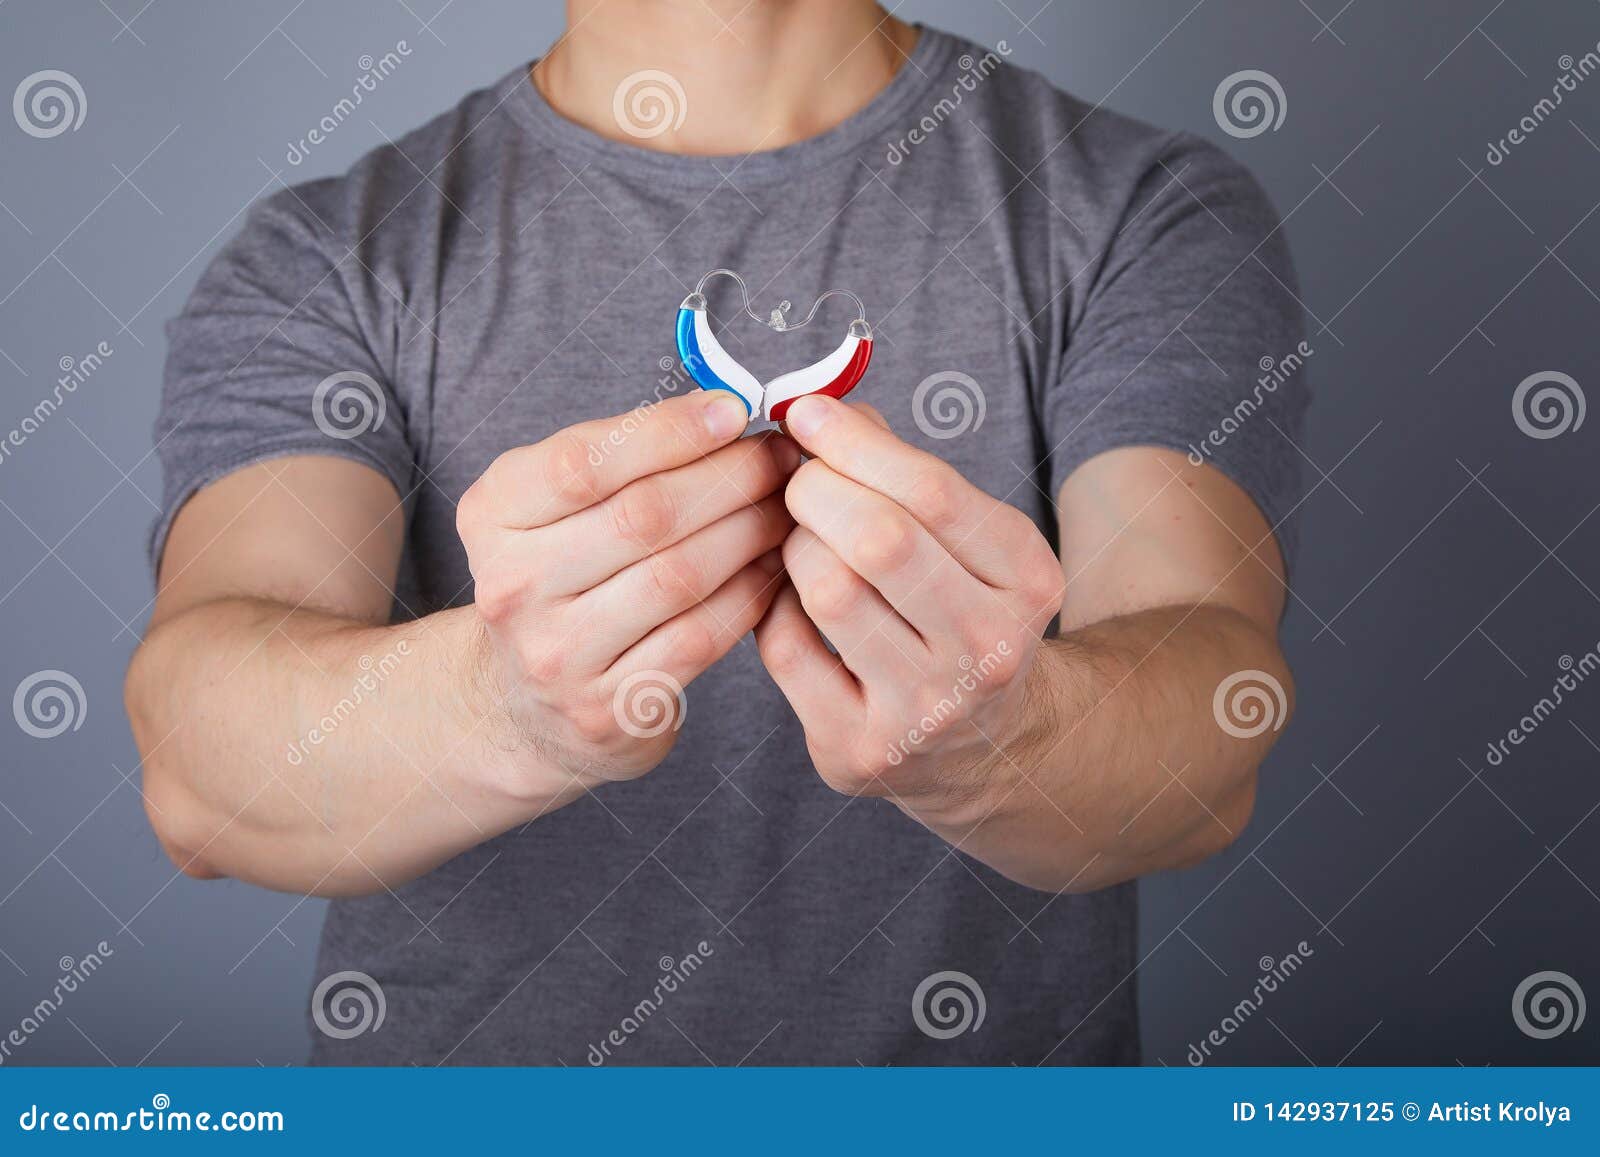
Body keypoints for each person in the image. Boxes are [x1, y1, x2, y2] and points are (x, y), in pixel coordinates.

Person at [126, 0, 1306, 1065]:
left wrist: (1005, 735)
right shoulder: (328, 254)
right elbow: (198, 766)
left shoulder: (1140, 209)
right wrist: (503, 705)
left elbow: (1212, 722)